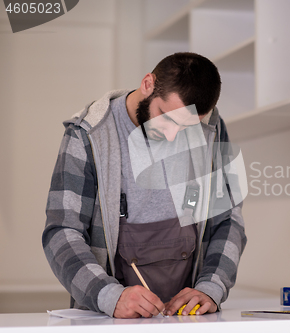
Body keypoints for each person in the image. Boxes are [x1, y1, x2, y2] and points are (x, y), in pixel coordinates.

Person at [42, 52, 247, 318]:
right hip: (108, 318)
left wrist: (211, 288)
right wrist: (108, 295)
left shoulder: (212, 128)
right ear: (148, 84)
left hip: (188, 319)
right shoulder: (87, 134)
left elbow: (228, 219)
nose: (173, 137)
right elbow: (62, 231)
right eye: (166, 117)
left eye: (187, 129)